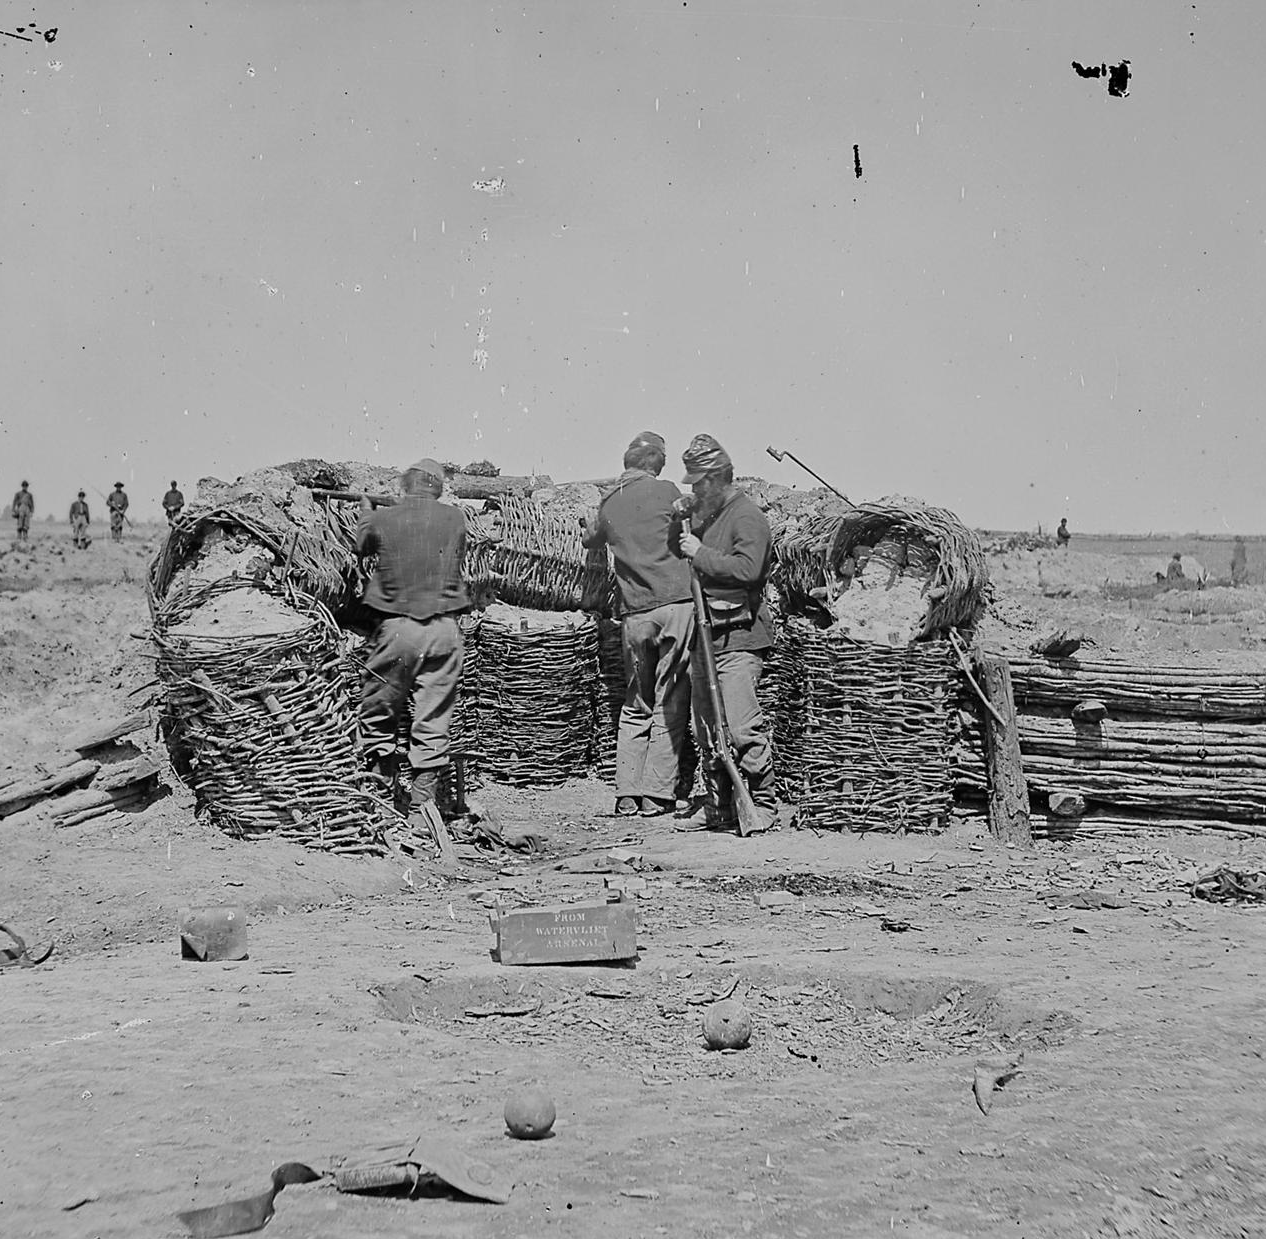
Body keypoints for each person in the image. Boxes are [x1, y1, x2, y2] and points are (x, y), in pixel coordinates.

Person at [582, 431, 695, 818]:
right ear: (656, 464)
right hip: (675, 604)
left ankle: (626, 793)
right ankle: (657, 794)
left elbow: (590, 541)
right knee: (671, 699)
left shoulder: (609, 501)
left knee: (636, 701)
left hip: (634, 613)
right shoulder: (665, 491)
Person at [356, 458, 470, 836]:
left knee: (379, 709)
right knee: (434, 716)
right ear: (438, 488)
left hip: (399, 627)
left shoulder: (385, 518)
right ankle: (422, 810)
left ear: (405, 486)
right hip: (444, 628)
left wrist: (366, 513)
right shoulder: (454, 519)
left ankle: (381, 796)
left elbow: (361, 546)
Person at [672, 433, 778, 833]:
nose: (694, 489)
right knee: (707, 728)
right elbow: (679, 549)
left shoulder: (747, 517)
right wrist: (677, 522)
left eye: (698, 482)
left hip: (738, 637)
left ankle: (761, 803)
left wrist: (701, 553)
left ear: (718, 479)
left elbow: (749, 570)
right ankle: (718, 807)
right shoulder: (704, 515)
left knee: (740, 727)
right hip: (706, 637)